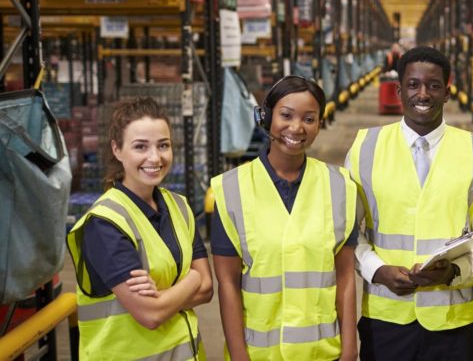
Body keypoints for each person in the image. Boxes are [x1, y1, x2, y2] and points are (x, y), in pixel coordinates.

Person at [346, 46, 473, 361]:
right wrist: (377, 271)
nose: (423, 94)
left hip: (451, 320)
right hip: (386, 316)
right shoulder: (366, 147)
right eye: (414, 85)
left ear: (447, 92)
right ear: (399, 90)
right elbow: (347, 231)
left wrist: (455, 272)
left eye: (433, 85)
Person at [211, 76, 359, 360]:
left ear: (319, 124)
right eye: (286, 115)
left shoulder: (339, 186)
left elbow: (345, 276)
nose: (296, 127)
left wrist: (350, 349)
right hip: (259, 355)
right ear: (266, 117)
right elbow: (228, 284)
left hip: (322, 353)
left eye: (309, 118)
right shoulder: (231, 189)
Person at [67, 97, 212, 360]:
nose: (154, 157)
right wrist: (191, 279)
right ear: (117, 150)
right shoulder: (105, 222)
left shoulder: (179, 206)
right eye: (140, 146)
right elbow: (150, 314)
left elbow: (207, 288)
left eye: (163, 145)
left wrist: (163, 296)